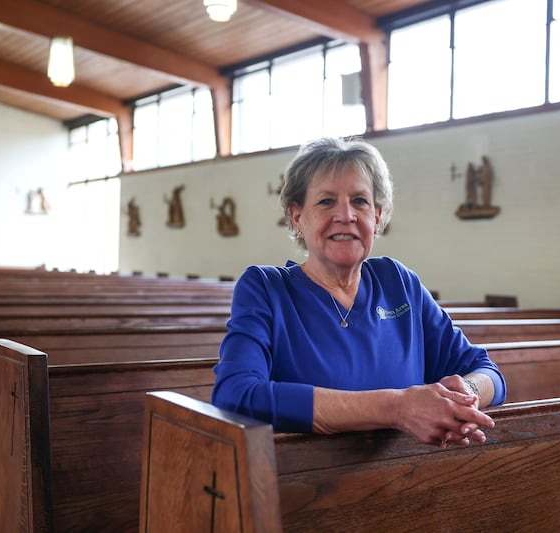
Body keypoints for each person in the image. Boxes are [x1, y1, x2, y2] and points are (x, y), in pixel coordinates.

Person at [212, 137, 506, 448]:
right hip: (307, 476)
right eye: (326, 201)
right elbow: (236, 395)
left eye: (360, 201)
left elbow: (489, 373)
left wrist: (465, 394)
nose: (346, 215)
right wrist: (397, 408)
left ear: (377, 217)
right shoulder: (265, 288)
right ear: (297, 216)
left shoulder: (398, 282)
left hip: (413, 472)